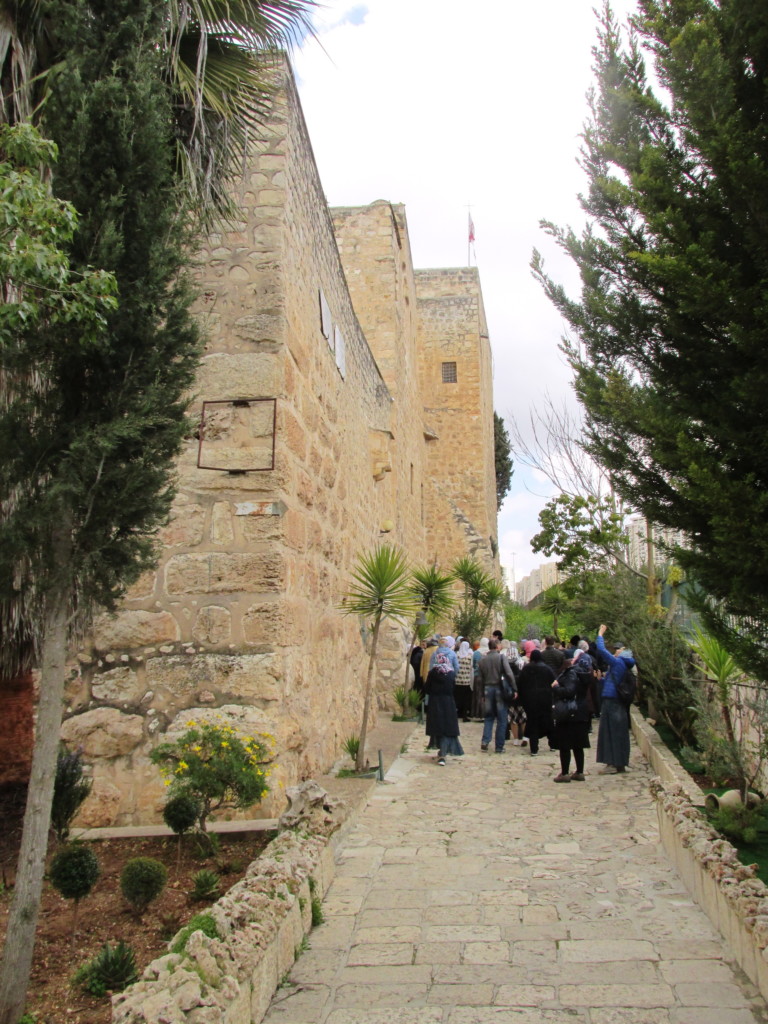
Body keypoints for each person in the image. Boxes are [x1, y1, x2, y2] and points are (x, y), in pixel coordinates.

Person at [595, 624, 636, 774]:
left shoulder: (618, 663)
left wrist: (600, 634)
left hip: (612, 702)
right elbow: (610, 682)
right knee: (619, 732)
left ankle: (612, 763)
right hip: (617, 701)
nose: (616, 651)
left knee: (609, 732)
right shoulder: (622, 665)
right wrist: (600, 680)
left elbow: (601, 650)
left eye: (619, 650)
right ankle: (620, 763)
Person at [551, 651, 593, 782]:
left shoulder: (572, 673)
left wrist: (556, 687)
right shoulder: (584, 674)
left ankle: (565, 773)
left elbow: (569, 691)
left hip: (568, 712)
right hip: (581, 711)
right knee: (578, 745)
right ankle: (579, 771)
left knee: (565, 744)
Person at [424, 648, 464, 765]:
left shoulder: (432, 673)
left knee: (438, 726)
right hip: (448, 703)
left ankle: (442, 752)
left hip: (435, 702)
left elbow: (427, 688)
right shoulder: (451, 673)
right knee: (447, 727)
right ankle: (443, 752)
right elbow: (453, 688)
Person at [478, 638, 516, 753]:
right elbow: (509, 673)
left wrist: (481, 693)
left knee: (489, 717)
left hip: (487, 688)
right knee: (502, 718)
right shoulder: (501, 658)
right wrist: (514, 688)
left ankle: (485, 741)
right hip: (500, 688)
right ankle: (499, 746)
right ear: (497, 646)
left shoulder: (482, 660)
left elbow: (480, 678)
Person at [516, 649, 555, 755]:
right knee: (548, 720)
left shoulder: (526, 669)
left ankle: (534, 748)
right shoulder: (547, 668)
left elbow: (520, 684)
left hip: (530, 699)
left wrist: (522, 697)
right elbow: (554, 682)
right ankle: (553, 744)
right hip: (545, 698)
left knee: (533, 722)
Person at [455, 639, 474, 722]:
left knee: (457, 698)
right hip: (466, 681)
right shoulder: (469, 657)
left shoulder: (457, 655)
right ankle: (464, 716)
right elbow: (471, 668)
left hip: (457, 680)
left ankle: (455, 714)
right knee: (465, 699)